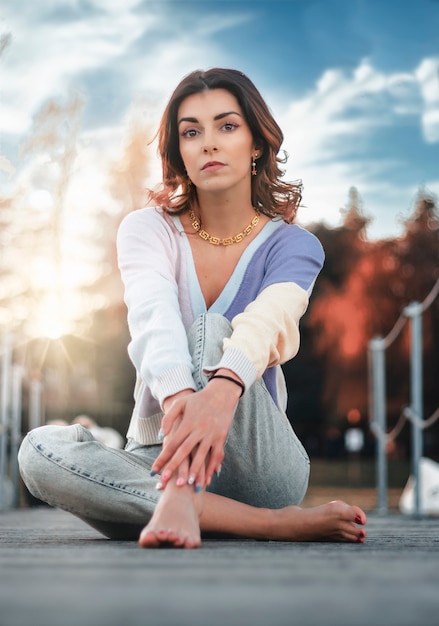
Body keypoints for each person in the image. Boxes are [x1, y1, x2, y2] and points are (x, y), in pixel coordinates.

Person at [18, 68, 367, 548]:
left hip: (258, 465)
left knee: (213, 328)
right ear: (178, 152)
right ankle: (259, 522)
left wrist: (220, 395)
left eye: (227, 126)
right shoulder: (146, 230)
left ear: (257, 144)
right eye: (191, 132)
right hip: (157, 454)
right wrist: (183, 407)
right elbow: (153, 318)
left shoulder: (295, 246)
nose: (208, 143)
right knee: (38, 451)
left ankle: (182, 497)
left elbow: (267, 324)